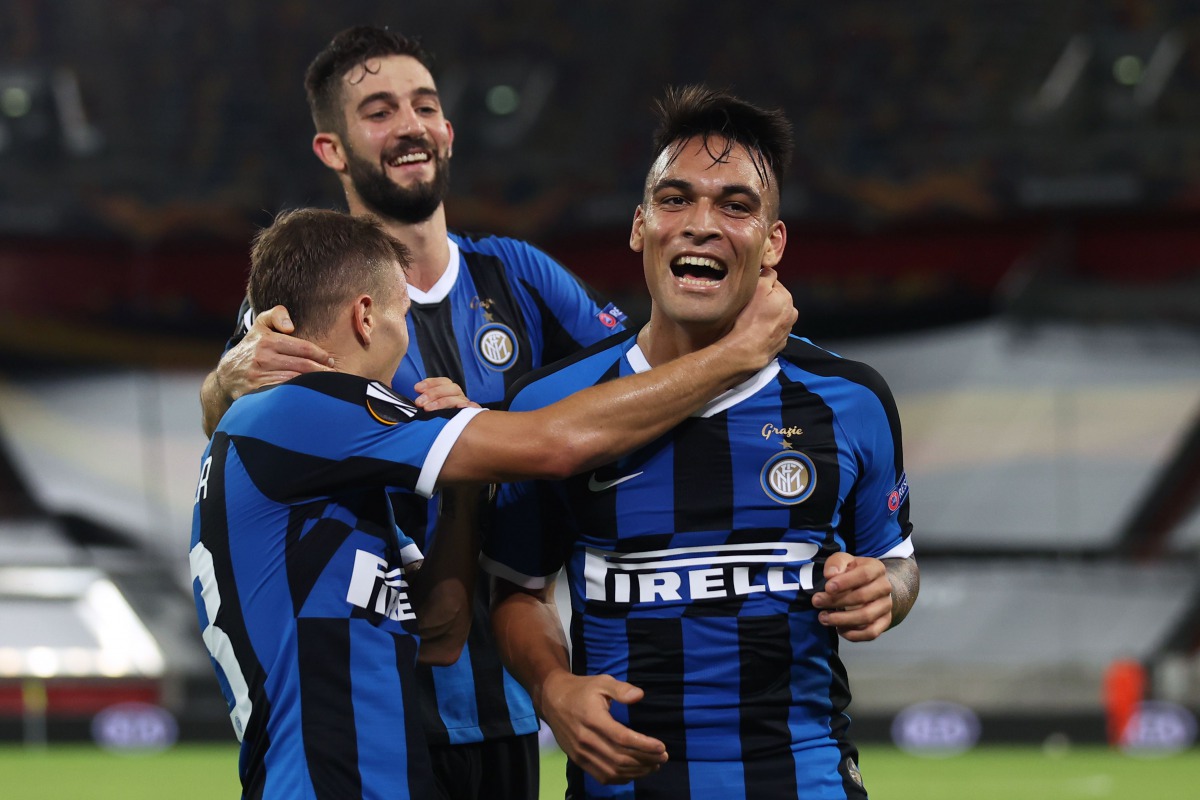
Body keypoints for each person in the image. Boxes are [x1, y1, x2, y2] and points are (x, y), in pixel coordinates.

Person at [191, 207, 795, 799]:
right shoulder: (300, 413)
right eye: (404, 317)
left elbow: (439, 633)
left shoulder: (326, 473)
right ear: (366, 316)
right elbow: (554, 445)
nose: (406, 348)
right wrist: (734, 356)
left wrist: (461, 489)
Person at [196, 26, 627, 800]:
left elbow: (630, 379)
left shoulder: (519, 275)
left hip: (497, 701)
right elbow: (237, 434)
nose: (409, 126)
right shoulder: (300, 308)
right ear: (332, 149)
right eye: (380, 110)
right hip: (361, 699)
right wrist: (225, 378)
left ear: (449, 132)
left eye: (424, 106)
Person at [483, 86, 920, 800]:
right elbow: (517, 591)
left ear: (772, 243)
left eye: (736, 205)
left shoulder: (851, 399)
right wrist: (552, 686)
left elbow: (897, 565)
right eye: (675, 199)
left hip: (802, 779)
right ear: (639, 226)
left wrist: (885, 592)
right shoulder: (553, 406)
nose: (700, 225)